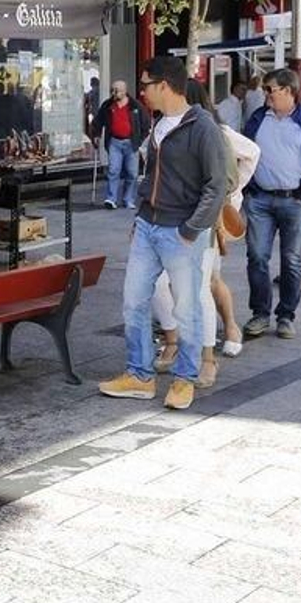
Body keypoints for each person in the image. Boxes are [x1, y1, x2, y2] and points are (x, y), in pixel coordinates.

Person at [99, 57, 226, 412]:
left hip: (180, 229)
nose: (142, 92)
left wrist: (191, 229)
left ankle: (185, 378)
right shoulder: (158, 124)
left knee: (186, 307)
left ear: (164, 86)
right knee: (133, 301)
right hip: (148, 224)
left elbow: (216, 186)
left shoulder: (202, 127)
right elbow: (152, 176)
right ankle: (140, 375)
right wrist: (140, 216)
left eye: (146, 85)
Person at [152, 81, 258, 388]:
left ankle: (211, 353)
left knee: (203, 286)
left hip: (203, 221)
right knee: (161, 284)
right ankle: (175, 340)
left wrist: (232, 195)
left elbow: (250, 154)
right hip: (169, 219)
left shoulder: (215, 131)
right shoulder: (163, 129)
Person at [241, 67, 301, 339]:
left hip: (296, 200)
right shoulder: (257, 118)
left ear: (288, 90)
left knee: (292, 260)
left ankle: (286, 316)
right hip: (260, 198)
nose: (265, 94)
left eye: (270, 89)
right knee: (256, 257)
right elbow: (243, 152)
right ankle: (260, 313)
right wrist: (247, 188)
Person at [93, 79, 149, 209]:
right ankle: (111, 198)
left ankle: (128, 199)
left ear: (124, 91)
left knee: (132, 173)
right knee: (113, 170)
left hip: (131, 142)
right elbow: (98, 121)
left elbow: (145, 122)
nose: (113, 93)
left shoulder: (135, 105)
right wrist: (96, 134)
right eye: (112, 90)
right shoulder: (108, 105)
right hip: (114, 141)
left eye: (116, 91)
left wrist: (140, 140)